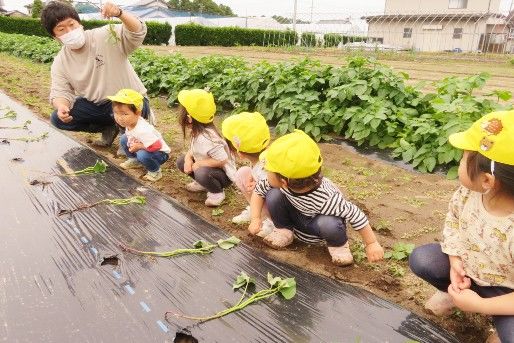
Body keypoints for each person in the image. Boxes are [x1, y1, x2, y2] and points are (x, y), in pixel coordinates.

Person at [409, 111, 514, 343]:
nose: (459, 164)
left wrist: (481, 305)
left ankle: (499, 328)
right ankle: (453, 293)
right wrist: (455, 262)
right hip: (470, 273)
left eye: (464, 158)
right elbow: (454, 222)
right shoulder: (468, 194)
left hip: (506, 292)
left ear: (487, 180)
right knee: (423, 259)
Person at [249, 130, 384, 266]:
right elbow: (258, 192)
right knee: (274, 195)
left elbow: (356, 215)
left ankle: (338, 246)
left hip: (318, 230)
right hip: (298, 222)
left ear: (284, 181)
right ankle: (284, 231)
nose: (266, 172)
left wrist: (371, 243)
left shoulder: (327, 197)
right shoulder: (278, 184)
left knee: (329, 223)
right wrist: (255, 218)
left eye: (268, 170)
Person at [41, 1, 154, 149]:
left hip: (130, 100)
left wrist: (119, 13)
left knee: (129, 143)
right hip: (100, 107)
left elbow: (137, 31)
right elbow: (60, 91)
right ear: (55, 37)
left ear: (80, 24)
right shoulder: (60, 62)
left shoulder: (105, 35)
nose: (69, 31)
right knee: (57, 119)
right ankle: (109, 127)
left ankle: (136, 126)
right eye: (61, 29)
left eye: (72, 25)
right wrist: (62, 106)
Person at [175, 89, 236, 207]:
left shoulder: (208, 138)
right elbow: (193, 150)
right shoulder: (197, 131)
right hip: (210, 169)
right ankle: (203, 183)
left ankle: (217, 192)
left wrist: (200, 164)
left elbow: (222, 159)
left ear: (189, 118)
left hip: (223, 175)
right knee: (181, 161)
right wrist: (188, 159)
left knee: (201, 172)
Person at [221, 111, 275, 237]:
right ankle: (255, 211)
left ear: (239, 153)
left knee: (272, 195)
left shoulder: (266, 167)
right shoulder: (262, 158)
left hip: (279, 206)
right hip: (265, 196)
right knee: (242, 173)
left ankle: (273, 223)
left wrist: (260, 186)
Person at [107, 89, 170, 182]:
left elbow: (157, 146)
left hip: (160, 153)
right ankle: (134, 160)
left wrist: (139, 146)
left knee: (142, 155)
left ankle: (155, 171)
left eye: (124, 114)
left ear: (138, 113)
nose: (119, 118)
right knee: (124, 138)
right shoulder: (130, 123)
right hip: (145, 145)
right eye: (116, 113)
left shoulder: (143, 130)